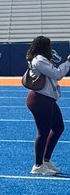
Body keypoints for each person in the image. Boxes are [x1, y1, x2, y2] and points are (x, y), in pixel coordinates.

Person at [25, 35, 70, 176]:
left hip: (46, 99)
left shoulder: (41, 59)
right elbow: (57, 74)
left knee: (58, 128)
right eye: (48, 46)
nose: (50, 48)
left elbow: (57, 75)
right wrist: (68, 62)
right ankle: (38, 165)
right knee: (43, 132)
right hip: (40, 99)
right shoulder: (39, 60)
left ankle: (46, 160)